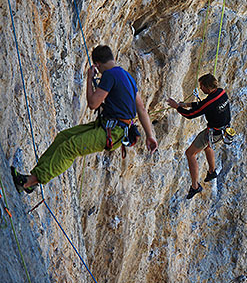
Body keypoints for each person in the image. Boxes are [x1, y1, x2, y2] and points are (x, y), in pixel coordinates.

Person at [12, 45, 158, 193]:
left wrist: (90, 79)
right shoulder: (128, 78)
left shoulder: (109, 75)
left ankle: (28, 182)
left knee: (70, 147)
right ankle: (33, 178)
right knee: (64, 137)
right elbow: (141, 109)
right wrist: (150, 136)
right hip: (112, 128)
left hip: (112, 132)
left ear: (98, 64)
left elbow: (93, 104)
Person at [167, 74, 231, 200]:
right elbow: (205, 105)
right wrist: (186, 104)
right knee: (208, 146)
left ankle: (195, 186)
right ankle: (212, 171)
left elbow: (191, 115)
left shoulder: (209, 102)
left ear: (207, 87)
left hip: (213, 132)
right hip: (223, 131)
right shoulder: (221, 92)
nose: (200, 89)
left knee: (190, 154)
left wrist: (177, 107)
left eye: (201, 86)